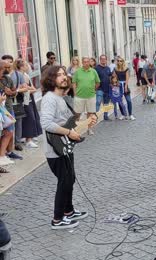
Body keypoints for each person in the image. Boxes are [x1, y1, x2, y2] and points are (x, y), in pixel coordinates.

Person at [40, 65, 96, 229]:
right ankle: (57, 219)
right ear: (51, 79)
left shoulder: (60, 98)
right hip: (55, 150)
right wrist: (69, 133)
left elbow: (69, 123)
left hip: (65, 147)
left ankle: (68, 211)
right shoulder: (49, 99)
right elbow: (46, 124)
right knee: (64, 181)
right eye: (59, 75)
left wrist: (87, 123)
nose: (64, 77)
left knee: (69, 179)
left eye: (64, 74)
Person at [0, 60, 22, 163]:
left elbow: (15, 92)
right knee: (7, 132)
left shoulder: (8, 79)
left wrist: (11, 92)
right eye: (6, 67)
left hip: (9, 109)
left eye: (9, 67)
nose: (8, 69)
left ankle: (9, 152)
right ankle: (2, 155)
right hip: (2, 110)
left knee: (11, 132)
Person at [72, 57, 100, 135]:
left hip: (91, 96)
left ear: (89, 63)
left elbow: (98, 82)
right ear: (82, 62)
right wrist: (74, 92)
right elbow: (73, 83)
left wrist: (94, 90)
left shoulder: (93, 71)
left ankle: (89, 128)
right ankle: (75, 129)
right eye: (84, 62)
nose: (86, 63)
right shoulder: (77, 72)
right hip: (79, 96)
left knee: (90, 113)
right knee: (77, 113)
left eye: (87, 62)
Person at [18, 60, 42, 148]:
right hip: (25, 99)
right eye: (26, 65)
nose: (28, 66)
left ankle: (29, 136)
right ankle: (28, 139)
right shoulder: (20, 76)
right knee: (29, 118)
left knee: (32, 117)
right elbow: (28, 89)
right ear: (21, 67)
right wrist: (30, 89)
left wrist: (30, 89)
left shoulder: (25, 75)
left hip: (28, 97)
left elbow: (32, 88)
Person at [94, 55, 112, 120]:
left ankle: (106, 116)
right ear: (100, 60)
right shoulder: (96, 68)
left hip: (107, 88)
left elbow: (110, 77)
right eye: (102, 59)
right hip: (99, 88)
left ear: (106, 60)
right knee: (98, 102)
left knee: (106, 103)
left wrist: (111, 85)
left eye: (104, 59)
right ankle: (94, 116)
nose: (103, 60)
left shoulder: (108, 68)